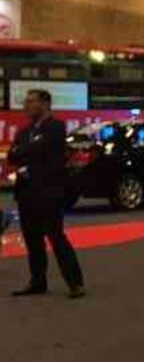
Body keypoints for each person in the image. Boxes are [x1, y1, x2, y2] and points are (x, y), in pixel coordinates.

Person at [9, 89, 85, 298]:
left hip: (48, 192)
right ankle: (37, 281)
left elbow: (34, 149)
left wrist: (23, 150)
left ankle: (75, 283)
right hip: (26, 192)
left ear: (44, 104)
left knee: (56, 237)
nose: (25, 105)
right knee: (32, 240)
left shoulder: (56, 127)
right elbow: (13, 156)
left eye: (30, 101)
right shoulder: (24, 131)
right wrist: (26, 150)